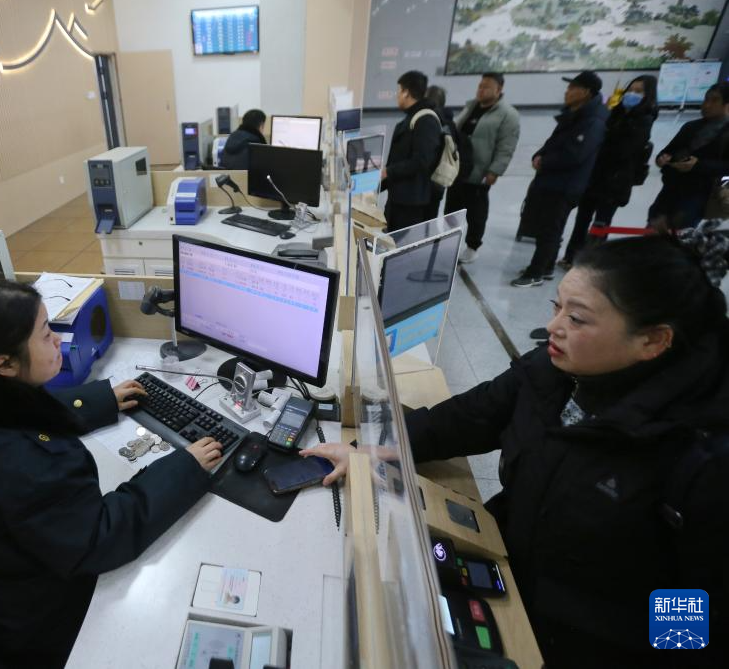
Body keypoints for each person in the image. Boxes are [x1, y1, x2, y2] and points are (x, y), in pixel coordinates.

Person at [304, 226, 729, 667]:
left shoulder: (704, 459)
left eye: (577, 319)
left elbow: (700, 614)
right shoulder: (557, 368)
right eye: (556, 307)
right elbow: (472, 416)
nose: (553, 328)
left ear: (653, 341)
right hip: (508, 577)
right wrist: (374, 445)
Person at [0, 280, 223, 667]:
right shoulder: (22, 465)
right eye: (46, 334)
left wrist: (99, 399)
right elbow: (99, 539)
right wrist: (183, 468)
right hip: (36, 621)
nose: (58, 341)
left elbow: (23, 410)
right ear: (5, 363)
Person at [512, 71, 608, 288]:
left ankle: (535, 272)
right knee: (547, 227)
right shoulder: (574, 115)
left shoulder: (593, 121)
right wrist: (539, 155)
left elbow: (576, 155)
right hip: (551, 182)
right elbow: (553, 142)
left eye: (572, 88)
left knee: (550, 230)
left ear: (585, 92)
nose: (567, 92)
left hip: (565, 186)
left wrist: (545, 162)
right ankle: (546, 267)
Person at [560, 75, 658, 267]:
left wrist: (606, 140)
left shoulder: (644, 120)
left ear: (648, 96)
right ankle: (571, 256)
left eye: (638, 91)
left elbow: (625, 150)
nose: (632, 94)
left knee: (601, 224)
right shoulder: (615, 112)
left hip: (615, 181)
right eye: (631, 89)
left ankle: (590, 263)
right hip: (596, 175)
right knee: (582, 219)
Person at [444, 72, 521, 264]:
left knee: (476, 212)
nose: (481, 89)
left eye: (486, 87)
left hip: (480, 172)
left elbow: (506, 146)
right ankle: (448, 241)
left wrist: (495, 171)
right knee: (452, 208)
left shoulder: (508, 115)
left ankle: (472, 246)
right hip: (458, 169)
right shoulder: (471, 106)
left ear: (499, 89)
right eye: (480, 85)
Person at [649, 83, 729, 231]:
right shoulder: (691, 126)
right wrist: (662, 159)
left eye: (714, 100)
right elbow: (669, 151)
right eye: (706, 99)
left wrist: (698, 165)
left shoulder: (726, 133)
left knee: (681, 232)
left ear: (726, 105)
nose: (707, 105)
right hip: (670, 189)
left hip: (698, 194)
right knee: (652, 228)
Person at [380, 70, 442, 232]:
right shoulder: (412, 117)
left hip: (411, 203)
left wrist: (387, 172)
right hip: (399, 197)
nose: (397, 95)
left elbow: (421, 161)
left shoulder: (426, 121)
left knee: (402, 244)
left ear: (406, 92)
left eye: (399, 90)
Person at [422, 85, 461, 221]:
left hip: (424, 181)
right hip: (440, 178)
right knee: (430, 218)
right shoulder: (450, 124)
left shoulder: (426, 121)